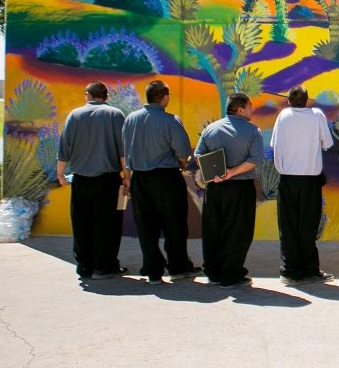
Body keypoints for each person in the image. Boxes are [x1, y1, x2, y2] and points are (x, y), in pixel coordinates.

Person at [122, 80, 201, 285]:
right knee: (174, 224)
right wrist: (183, 164)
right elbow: (183, 153)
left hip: (140, 178)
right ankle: (178, 266)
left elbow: (125, 150)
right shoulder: (171, 121)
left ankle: (153, 269)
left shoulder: (130, 119)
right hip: (166, 178)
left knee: (146, 226)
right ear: (164, 96)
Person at [57, 81, 127, 280]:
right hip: (108, 180)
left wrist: (60, 174)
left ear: (87, 94)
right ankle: (104, 266)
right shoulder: (115, 114)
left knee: (81, 224)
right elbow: (123, 151)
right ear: (106, 96)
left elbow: (64, 149)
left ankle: (84, 265)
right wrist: (127, 177)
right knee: (108, 224)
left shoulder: (74, 115)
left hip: (80, 180)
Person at [195, 93, 264, 289]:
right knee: (238, 231)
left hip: (214, 187)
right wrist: (232, 172)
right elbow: (255, 160)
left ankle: (213, 272)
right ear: (240, 109)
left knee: (213, 229)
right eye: (250, 105)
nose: (252, 108)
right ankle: (231, 274)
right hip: (240, 187)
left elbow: (198, 153)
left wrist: (214, 172)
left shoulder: (211, 129)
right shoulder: (252, 131)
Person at [271, 86, 334, 286]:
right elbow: (327, 143)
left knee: (288, 226)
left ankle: (290, 270)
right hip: (309, 179)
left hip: (287, 178)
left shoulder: (283, 116)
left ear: (289, 101)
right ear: (308, 100)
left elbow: (274, 144)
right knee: (308, 225)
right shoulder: (316, 115)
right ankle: (310, 269)